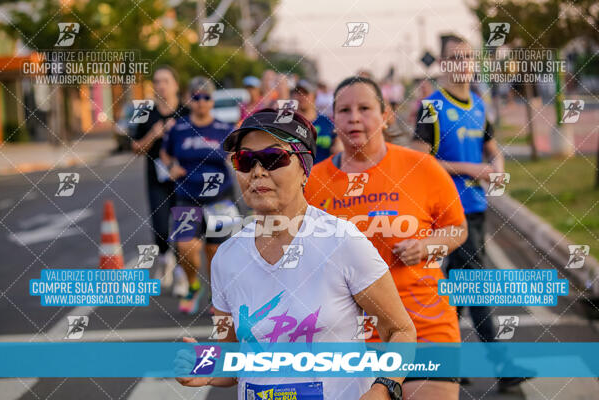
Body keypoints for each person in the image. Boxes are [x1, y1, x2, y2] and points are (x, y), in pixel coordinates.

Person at [176, 108, 417, 399]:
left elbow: (401, 331)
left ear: (305, 168)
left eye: (274, 158)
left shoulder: (342, 241)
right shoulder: (227, 257)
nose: (258, 171)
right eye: (245, 160)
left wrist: (383, 389)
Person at [305, 76, 468, 400]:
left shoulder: (421, 167)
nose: (354, 117)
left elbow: (457, 229)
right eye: (344, 110)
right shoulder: (313, 181)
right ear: (333, 119)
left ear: (386, 115)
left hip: (424, 324)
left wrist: (425, 246)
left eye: (365, 108)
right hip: (348, 337)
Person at [411, 36, 529, 391]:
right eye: (454, 58)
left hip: (476, 209)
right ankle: (502, 367)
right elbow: (419, 161)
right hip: (448, 215)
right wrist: (469, 169)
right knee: (476, 289)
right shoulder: (431, 106)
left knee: (458, 292)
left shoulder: (478, 104)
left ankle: (444, 363)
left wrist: (496, 167)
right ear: (444, 64)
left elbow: (492, 148)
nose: (461, 63)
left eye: (467, 57)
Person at [160, 76, 239, 315]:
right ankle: (194, 285)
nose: (201, 102)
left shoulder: (224, 130)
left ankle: (218, 295)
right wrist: (171, 165)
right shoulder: (179, 128)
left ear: (212, 100)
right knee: (184, 246)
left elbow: (235, 157)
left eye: (206, 97)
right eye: (196, 97)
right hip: (187, 194)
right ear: (189, 99)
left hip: (220, 198)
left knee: (216, 252)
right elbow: (165, 154)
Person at [131, 65, 188, 291]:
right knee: (160, 228)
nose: (160, 86)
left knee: (182, 229)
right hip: (156, 178)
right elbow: (135, 147)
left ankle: (183, 276)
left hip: (183, 179)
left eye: (165, 81)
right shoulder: (146, 111)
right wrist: (152, 135)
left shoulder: (185, 112)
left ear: (175, 84)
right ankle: (165, 260)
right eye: (156, 81)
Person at [291, 79, 343, 163]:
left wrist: (338, 144)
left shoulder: (326, 122)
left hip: (323, 172)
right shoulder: (288, 122)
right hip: (297, 174)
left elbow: (338, 146)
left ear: (314, 96)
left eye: (305, 93)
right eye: (297, 93)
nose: (301, 97)